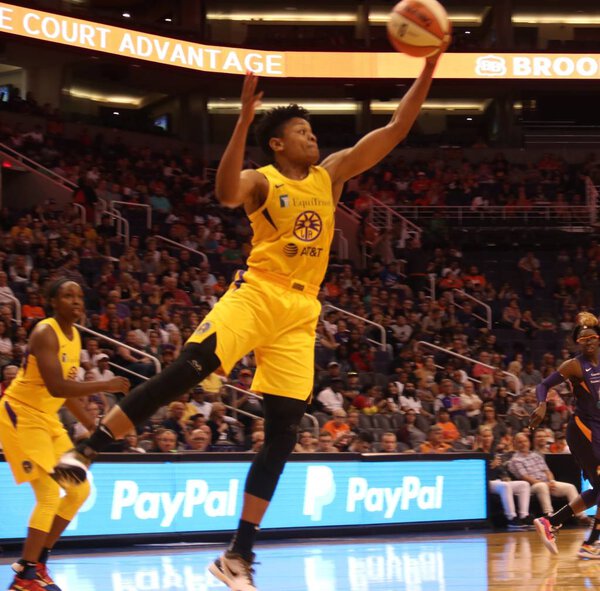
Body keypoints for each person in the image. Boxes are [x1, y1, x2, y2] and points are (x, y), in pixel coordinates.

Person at [53, 47, 448, 591]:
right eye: (303, 131)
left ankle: (238, 554)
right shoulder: (262, 180)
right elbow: (223, 192)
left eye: (314, 131)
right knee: (189, 368)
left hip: (302, 310)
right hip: (258, 292)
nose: (314, 138)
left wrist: (427, 69)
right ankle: (89, 447)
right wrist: (241, 118)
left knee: (283, 433)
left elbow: (397, 127)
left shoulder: (330, 175)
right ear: (278, 142)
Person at [0, 279, 129, 591]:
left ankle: (37, 562)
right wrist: (105, 385)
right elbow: (57, 386)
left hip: (48, 418)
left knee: (78, 491)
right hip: (21, 414)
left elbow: (66, 394)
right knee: (47, 494)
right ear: (52, 302)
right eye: (67, 295)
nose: (76, 301)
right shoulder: (45, 332)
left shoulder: (75, 338)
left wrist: (92, 425)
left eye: (79, 296)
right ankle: (25, 577)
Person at [530, 312, 600, 558]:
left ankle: (551, 522)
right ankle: (591, 544)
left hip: (597, 429)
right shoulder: (574, 365)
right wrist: (541, 404)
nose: (588, 341)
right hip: (582, 430)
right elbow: (543, 385)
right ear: (578, 343)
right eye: (582, 340)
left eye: (591, 337)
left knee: (597, 491)